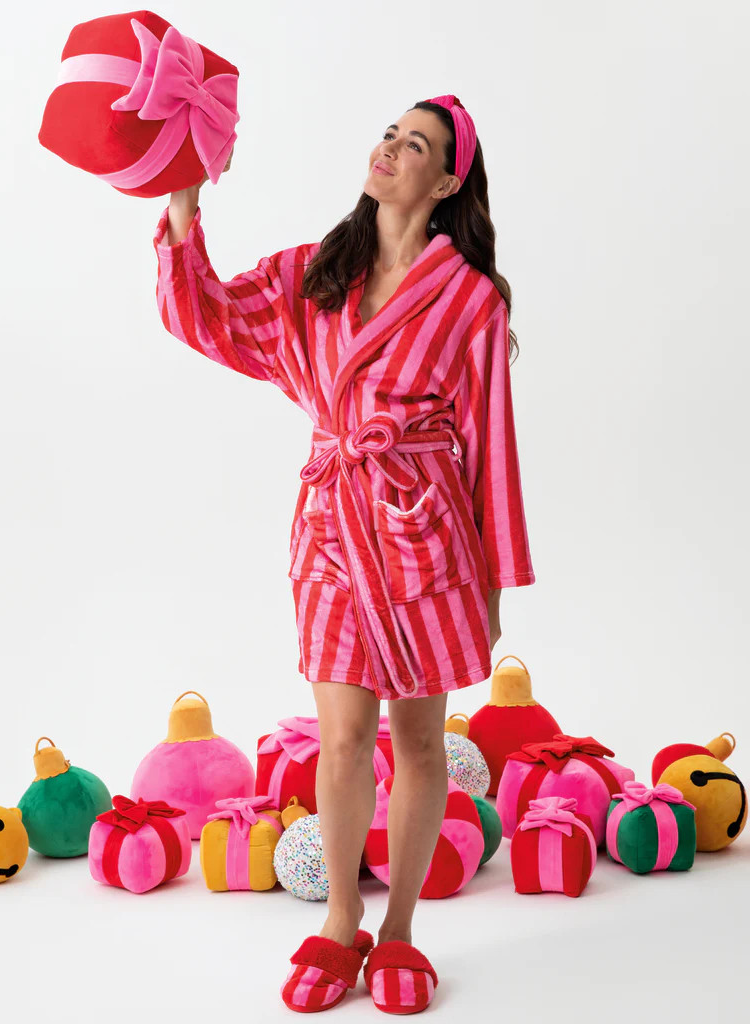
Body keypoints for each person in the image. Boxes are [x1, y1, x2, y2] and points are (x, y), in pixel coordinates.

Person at [153, 94, 535, 1014]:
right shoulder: (318, 273)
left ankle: (398, 929)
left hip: (423, 535)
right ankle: (341, 919)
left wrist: (493, 580)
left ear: (447, 183)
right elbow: (208, 317)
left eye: (417, 145)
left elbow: (492, 442)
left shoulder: (471, 299)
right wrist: (182, 205)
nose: (391, 149)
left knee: (419, 740)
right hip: (330, 528)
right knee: (343, 739)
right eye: (390, 133)